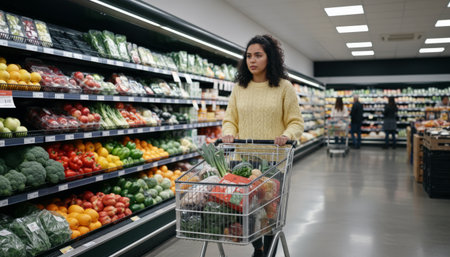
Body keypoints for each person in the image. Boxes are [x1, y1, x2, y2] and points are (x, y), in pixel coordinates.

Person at [222, 34, 304, 257]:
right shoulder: (240, 88)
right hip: (243, 162)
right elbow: (230, 118)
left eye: (258, 55)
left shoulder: (284, 88)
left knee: (269, 214)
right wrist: (229, 133)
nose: (252, 60)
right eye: (249, 56)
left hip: (273, 161)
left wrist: (287, 135)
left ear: (270, 58)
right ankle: (257, 246)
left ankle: (266, 252)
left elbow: (296, 121)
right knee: (244, 210)